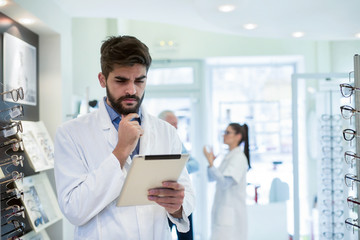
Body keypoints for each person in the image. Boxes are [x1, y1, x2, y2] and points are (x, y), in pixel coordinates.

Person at [54, 35, 195, 239]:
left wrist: (177, 207)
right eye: (121, 80)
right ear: (102, 80)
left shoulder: (166, 132)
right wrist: (120, 151)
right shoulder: (71, 133)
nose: (132, 90)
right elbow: (74, 209)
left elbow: (187, 195)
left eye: (140, 81)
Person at [203, 123, 250, 240]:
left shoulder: (238, 158)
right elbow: (211, 178)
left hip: (231, 215)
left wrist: (211, 164)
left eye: (228, 132)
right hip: (223, 212)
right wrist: (211, 165)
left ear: (238, 136)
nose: (224, 135)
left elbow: (225, 183)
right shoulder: (229, 156)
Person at [158, 110, 199, 240]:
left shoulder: (177, 143)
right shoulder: (153, 143)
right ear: (161, 124)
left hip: (181, 198)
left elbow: (195, 164)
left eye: (177, 124)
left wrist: (175, 168)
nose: (175, 127)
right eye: (172, 124)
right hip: (161, 201)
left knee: (186, 235)